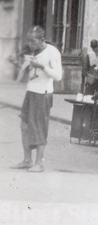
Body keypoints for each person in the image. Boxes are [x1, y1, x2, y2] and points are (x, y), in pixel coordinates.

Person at [11, 26, 63, 173]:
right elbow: (26, 71)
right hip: (31, 91)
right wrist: (18, 65)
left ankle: (39, 163)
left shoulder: (52, 52)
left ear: (42, 39)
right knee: (24, 125)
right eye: (28, 41)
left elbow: (58, 76)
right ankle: (27, 160)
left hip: (43, 93)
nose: (30, 44)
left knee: (39, 127)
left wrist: (42, 67)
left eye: (33, 41)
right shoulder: (33, 50)